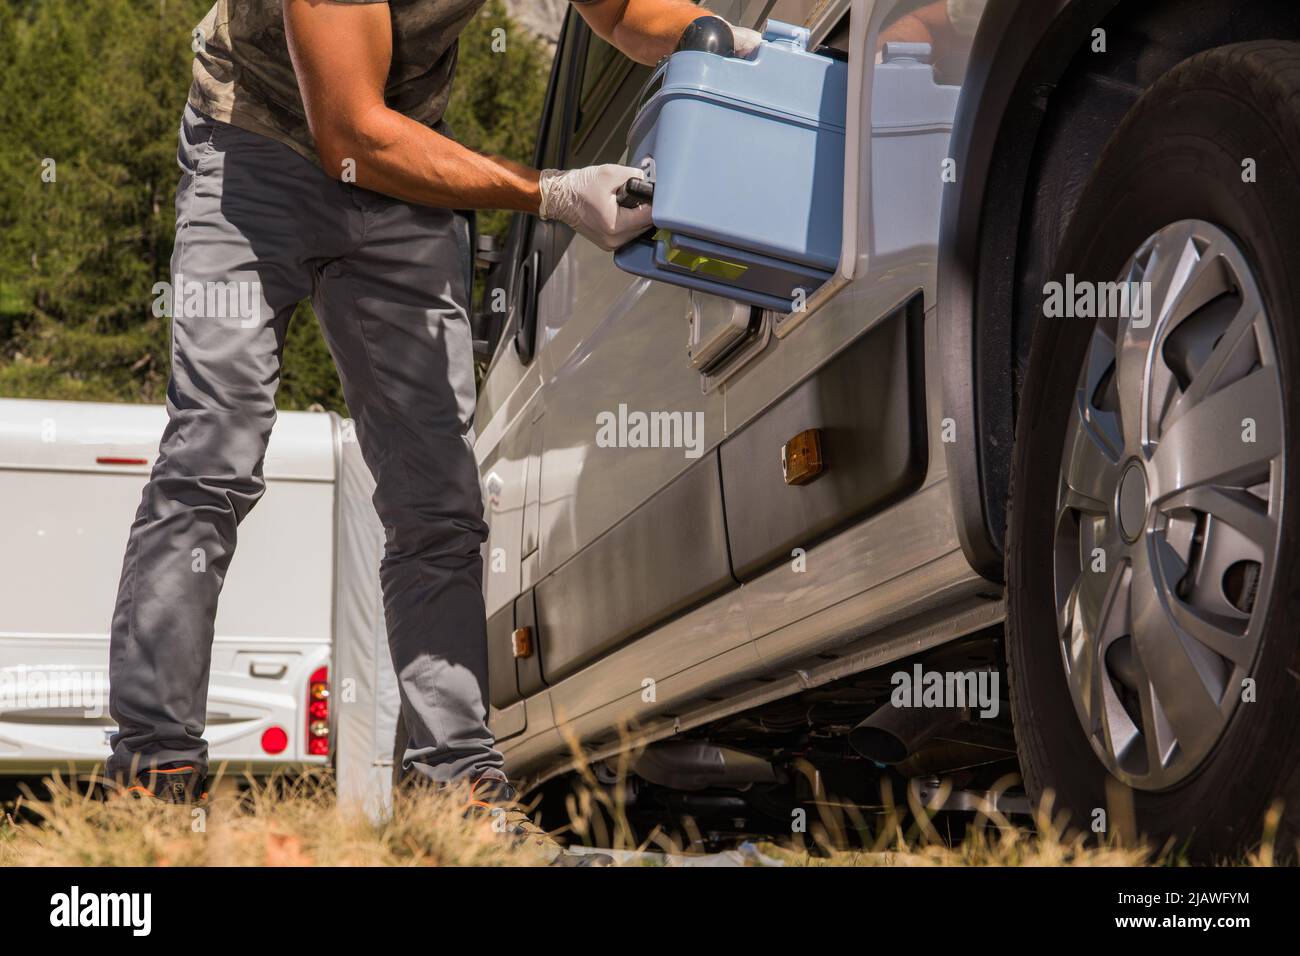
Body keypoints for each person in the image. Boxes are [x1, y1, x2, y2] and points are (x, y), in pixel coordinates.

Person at [106, 0, 760, 824]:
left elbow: (627, 13)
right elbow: (350, 136)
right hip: (255, 146)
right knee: (213, 455)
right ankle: (153, 775)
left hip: (401, 160)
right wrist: (551, 193)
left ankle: (451, 792)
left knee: (439, 502)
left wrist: (742, 42)